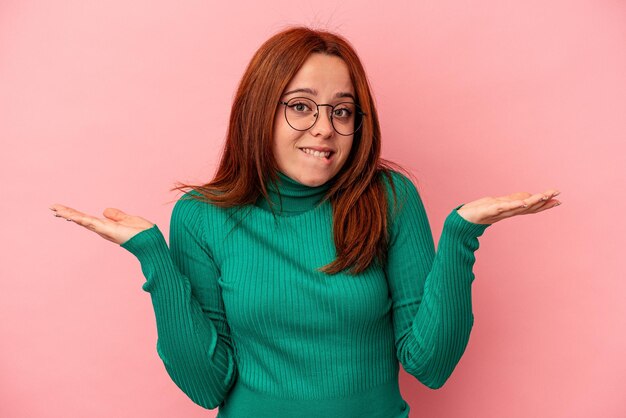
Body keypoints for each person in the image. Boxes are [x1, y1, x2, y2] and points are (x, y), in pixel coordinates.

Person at [49, 26, 561, 418]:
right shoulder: (203, 216)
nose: (325, 129)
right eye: (300, 107)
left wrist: (461, 234)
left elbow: (430, 364)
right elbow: (206, 387)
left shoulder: (388, 197)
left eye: (343, 111)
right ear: (258, 112)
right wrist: (152, 256)